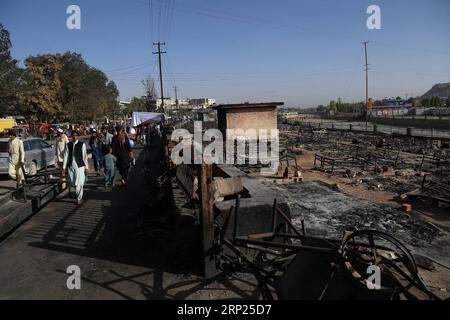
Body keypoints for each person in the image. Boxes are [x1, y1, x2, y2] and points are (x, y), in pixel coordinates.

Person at [63, 130, 89, 205]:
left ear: (78, 136)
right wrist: (64, 168)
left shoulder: (82, 144)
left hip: (79, 166)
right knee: (72, 181)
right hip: (71, 166)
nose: (74, 137)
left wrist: (86, 167)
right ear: (71, 137)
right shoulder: (68, 145)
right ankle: (78, 194)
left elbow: (84, 157)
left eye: (76, 135)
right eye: (73, 135)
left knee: (79, 183)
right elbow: (65, 157)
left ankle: (79, 198)